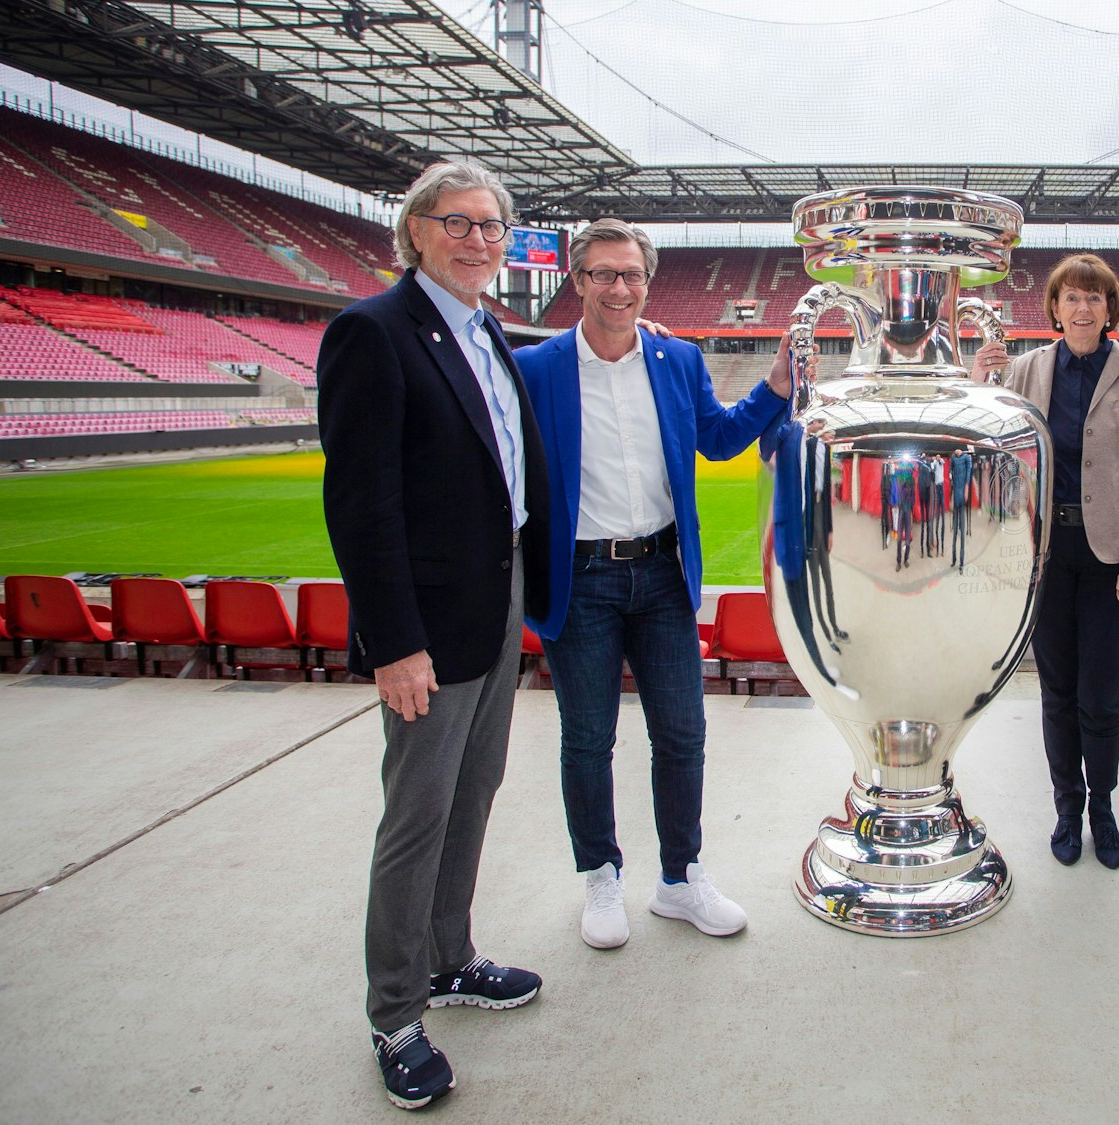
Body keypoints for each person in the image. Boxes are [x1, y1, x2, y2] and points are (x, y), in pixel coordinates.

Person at [318, 159, 546, 1111]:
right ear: (415, 231)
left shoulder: (488, 329)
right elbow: (360, 505)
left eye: (492, 226)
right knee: (416, 814)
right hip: (425, 625)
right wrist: (392, 641)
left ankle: (451, 958)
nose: (479, 241)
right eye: (458, 223)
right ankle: (396, 1013)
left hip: (493, 606)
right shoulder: (373, 333)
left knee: (474, 789)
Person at [512, 218, 790, 950]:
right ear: (577, 282)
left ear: (646, 281)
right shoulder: (536, 367)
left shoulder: (677, 358)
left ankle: (679, 877)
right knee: (587, 740)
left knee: (683, 734)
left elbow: (722, 437)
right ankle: (601, 876)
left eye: (631, 274)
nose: (619, 287)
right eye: (603, 273)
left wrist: (775, 387)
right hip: (584, 576)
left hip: (665, 574)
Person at [970, 252, 1119, 869]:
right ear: (1054, 308)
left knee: (1101, 697)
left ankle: (1102, 808)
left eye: (1095, 298)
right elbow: (988, 444)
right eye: (1072, 298)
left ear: (1111, 308)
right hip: (1046, 555)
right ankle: (1066, 809)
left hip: (1110, 560)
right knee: (1056, 692)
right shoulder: (1027, 369)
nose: (1083, 309)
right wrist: (979, 383)